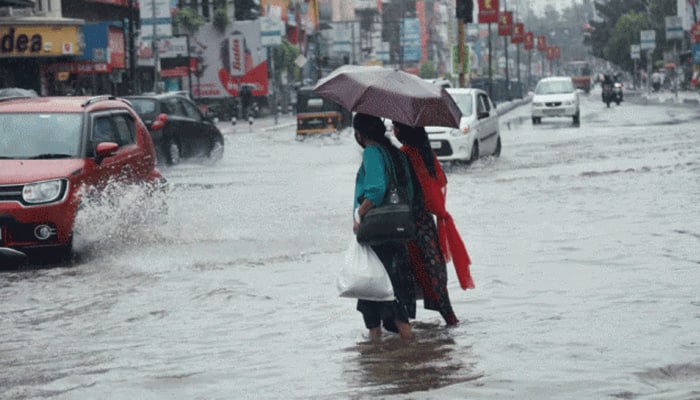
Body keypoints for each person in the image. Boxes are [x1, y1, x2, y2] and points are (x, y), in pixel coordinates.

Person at [392, 122, 476, 326]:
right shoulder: (426, 153)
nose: (394, 130)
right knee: (433, 270)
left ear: (403, 131)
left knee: (412, 274)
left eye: (396, 126)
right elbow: (440, 182)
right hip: (427, 222)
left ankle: (404, 329)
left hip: (410, 224)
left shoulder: (405, 155)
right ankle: (450, 319)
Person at [352, 113, 417, 340]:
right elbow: (408, 190)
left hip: (377, 230)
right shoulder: (396, 153)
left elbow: (376, 191)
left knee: (373, 287)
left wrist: (358, 213)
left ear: (359, 134)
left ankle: (375, 349)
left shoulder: (371, 152)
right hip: (400, 227)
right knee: (394, 286)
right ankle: (407, 347)